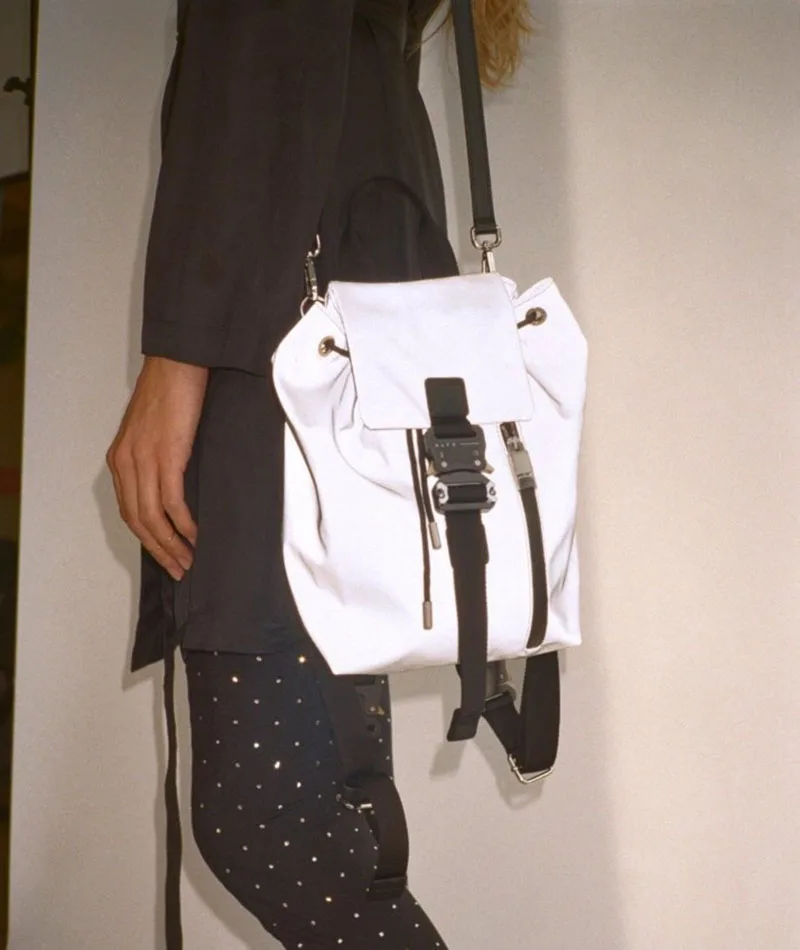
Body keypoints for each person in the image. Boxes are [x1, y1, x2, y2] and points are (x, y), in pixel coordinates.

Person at [107, 1, 530, 946]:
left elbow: (257, 54)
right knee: (319, 804)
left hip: (283, 341)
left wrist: (179, 355)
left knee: (270, 819)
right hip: (344, 324)